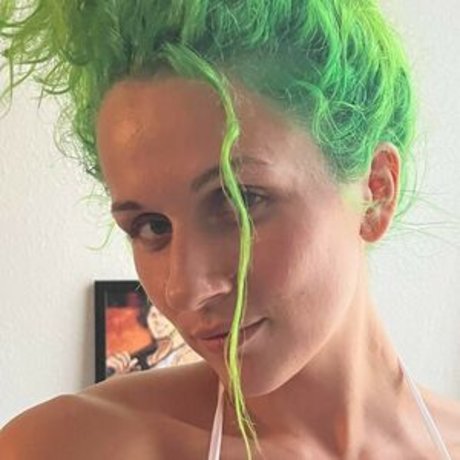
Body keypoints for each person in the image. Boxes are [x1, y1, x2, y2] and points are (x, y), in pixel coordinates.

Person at [0, 1, 459, 459]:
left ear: (375, 191)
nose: (185, 290)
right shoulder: (71, 447)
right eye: (151, 226)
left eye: (239, 202)